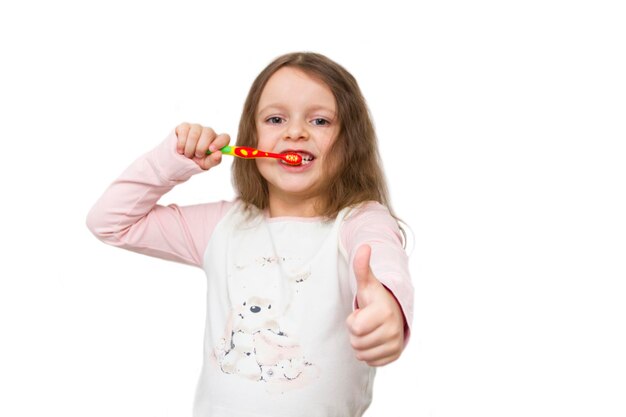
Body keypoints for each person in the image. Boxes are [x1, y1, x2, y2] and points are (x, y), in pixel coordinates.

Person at [87, 52, 414, 417]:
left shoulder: (359, 222)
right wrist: (173, 159)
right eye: (275, 119)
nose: (295, 132)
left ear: (350, 142)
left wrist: (387, 306)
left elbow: (384, 259)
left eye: (319, 120)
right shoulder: (221, 226)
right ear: (251, 138)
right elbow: (110, 221)